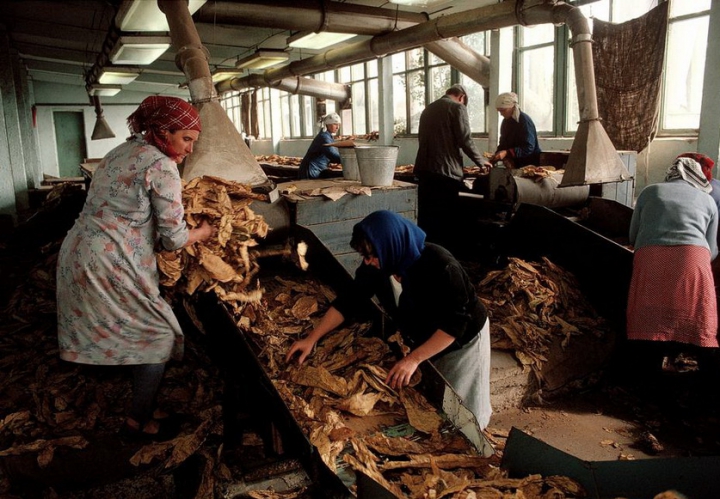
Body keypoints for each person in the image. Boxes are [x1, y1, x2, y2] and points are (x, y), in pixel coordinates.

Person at [56, 96, 215, 438]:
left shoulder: (121, 151)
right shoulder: (161, 165)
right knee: (157, 336)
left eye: (193, 141)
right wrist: (204, 232)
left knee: (131, 330)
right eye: (185, 139)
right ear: (162, 132)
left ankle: (143, 399)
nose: (189, 149)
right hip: (111, 261)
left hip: (78, 250)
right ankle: (136, 423)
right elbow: (173, 238)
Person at [285, 210, 492, 429]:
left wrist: (413, 359)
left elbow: (454, 325)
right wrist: (312, 338)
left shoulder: (441, 266)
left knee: (463, 403)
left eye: (373, 255)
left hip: (462, 341)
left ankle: (477, 444)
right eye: (365, 256)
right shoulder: (381, 265)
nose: (369, 262)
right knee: (437, 400)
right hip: (426, 335)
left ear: (391, 246)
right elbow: (350, 300)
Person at [626, 156, 718, 377]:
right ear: (697, 178)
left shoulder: (649, 192)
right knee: (696, 312)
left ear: (670, 173)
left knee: (651, 314)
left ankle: (647, 371)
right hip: (692, 258)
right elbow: (712, 250)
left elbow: (632, 236)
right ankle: (706, 374)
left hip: (650, 257)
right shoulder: (707, 200)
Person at [414, 84, 490, 248]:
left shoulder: (428, 109)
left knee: (428, 217)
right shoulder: (457, 108)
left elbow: (423, 139)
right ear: (462, 97)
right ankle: (449, 255)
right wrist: (481, 162)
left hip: (424, 171)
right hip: (445, 174)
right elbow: (465, 140)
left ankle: (427, 252)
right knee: (447, 218)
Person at [491, 92, 541, 168]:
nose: (501, 114)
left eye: (503, 110)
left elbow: (529, 147)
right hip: (515, 164)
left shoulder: (524, 121)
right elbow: (503, 144)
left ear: (512, 107)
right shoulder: (506, 122)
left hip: (529, 164)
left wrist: (507, 153)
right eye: (499, 111)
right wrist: (496, 156)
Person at [298, 113, 345, 179]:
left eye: (338, 125)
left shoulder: (328, 136)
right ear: (327, 125)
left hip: (318, 169)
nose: (337, 127)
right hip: (312, 171)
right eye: (335, 124)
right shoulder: (324, 137)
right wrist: (347, 160)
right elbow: (332, 155)